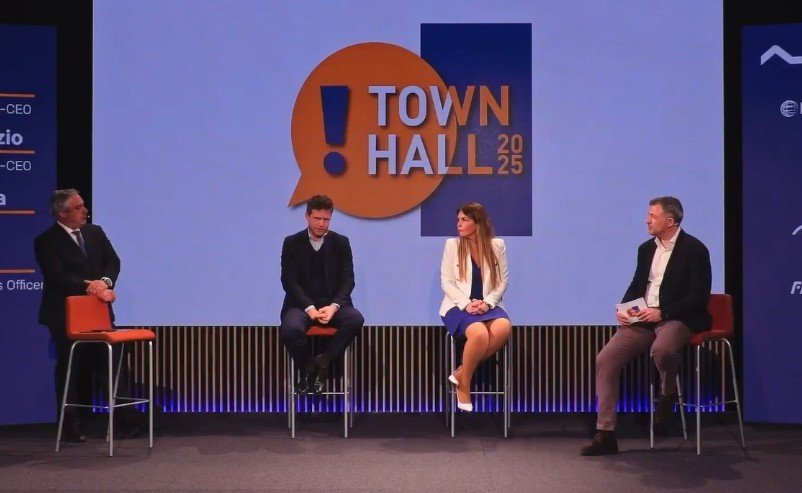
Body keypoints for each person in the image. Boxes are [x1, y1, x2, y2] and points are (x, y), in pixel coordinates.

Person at [580, 196, 712, 456]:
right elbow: (637, 284)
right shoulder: (645, 249)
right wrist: (624, 309)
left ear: (669, 220)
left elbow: (699, 296)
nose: (646, 220)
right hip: (643, 319)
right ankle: (606, 433)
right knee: (606, 359)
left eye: (652, 216)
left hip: (677, 317)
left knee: (662, 349)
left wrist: (663, 312)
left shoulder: (695, 249)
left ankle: (667, 393)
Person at [33, 189, 125, 442]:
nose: (85, 211)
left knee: (110, 363)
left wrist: (105, 282)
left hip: (98, 311)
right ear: (62, 213)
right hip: (64, 313)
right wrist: (92, 287)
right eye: (78, 207)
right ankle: (70, 423)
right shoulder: (46, 241)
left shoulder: (95, 232)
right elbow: (58, 276)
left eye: (83, 205)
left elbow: (113, 262)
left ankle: (125, 420)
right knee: (70, 367)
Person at [280, 194, 363, 394]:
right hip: (301, 305)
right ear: (307, 216)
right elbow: (289, 281)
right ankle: (309, 368)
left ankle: (324, 361)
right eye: (317, 218)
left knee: (355, 319)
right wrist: (309, 308)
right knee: (290, 329)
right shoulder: (292, 243)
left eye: (326, 219)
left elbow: (348, 280)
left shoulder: (341, 243)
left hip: (332, 305)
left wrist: (334, 306)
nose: (321, 224)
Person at [439, 202, 511, 412]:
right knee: (479, 334)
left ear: (478, 222)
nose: (459, 224)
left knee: (503, 328)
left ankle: (461, 373)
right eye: (458, 220)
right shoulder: (452, 245)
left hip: (488, 304)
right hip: (458, 305)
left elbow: (502, 281)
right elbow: (447, 283)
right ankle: (464, 386)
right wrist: (467, 304)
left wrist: (487, 303)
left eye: (464, 220)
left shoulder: (497, 245)